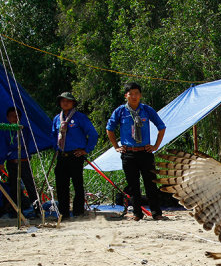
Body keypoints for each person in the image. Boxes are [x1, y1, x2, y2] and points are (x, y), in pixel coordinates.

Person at [106, 82, 166, 221]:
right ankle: (137, 213)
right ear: (126, 95)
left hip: (145, 152)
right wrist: (116, 146)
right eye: (131, 93)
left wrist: (155, 145)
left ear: (140, 95)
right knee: (133, 186)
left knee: (151, 183)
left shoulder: (146, 110)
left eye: (137, 93)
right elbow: (109, 129)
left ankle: (156, 213)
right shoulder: (120, 111)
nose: (134, 96)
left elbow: (161, 127)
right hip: (129, 153)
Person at [52, 92, 98, 220]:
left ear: (73, 103)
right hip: (62, 155)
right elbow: (53, 135)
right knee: (61, 185)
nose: (65, 103)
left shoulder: (79, 118)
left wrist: (86, 150)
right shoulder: (57, 119)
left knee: (77, 184)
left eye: (68, 101)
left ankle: (78, 211)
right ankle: (63, 213)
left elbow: (93, 134)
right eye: (63, 101)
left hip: (75, 155)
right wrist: (56, 148)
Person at [4, 107, 40, 216]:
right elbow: (5, 146)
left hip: (23, 161)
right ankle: (16, 211)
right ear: (8, 118)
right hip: (11, 162)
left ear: (20, 117)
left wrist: (13, 149)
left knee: (30, 186)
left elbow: (22, 145)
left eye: (16, 116)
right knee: (14, 187)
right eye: (11, 116)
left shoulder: (24, 130)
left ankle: (37, 209)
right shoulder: (6, 130)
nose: (14, 119)